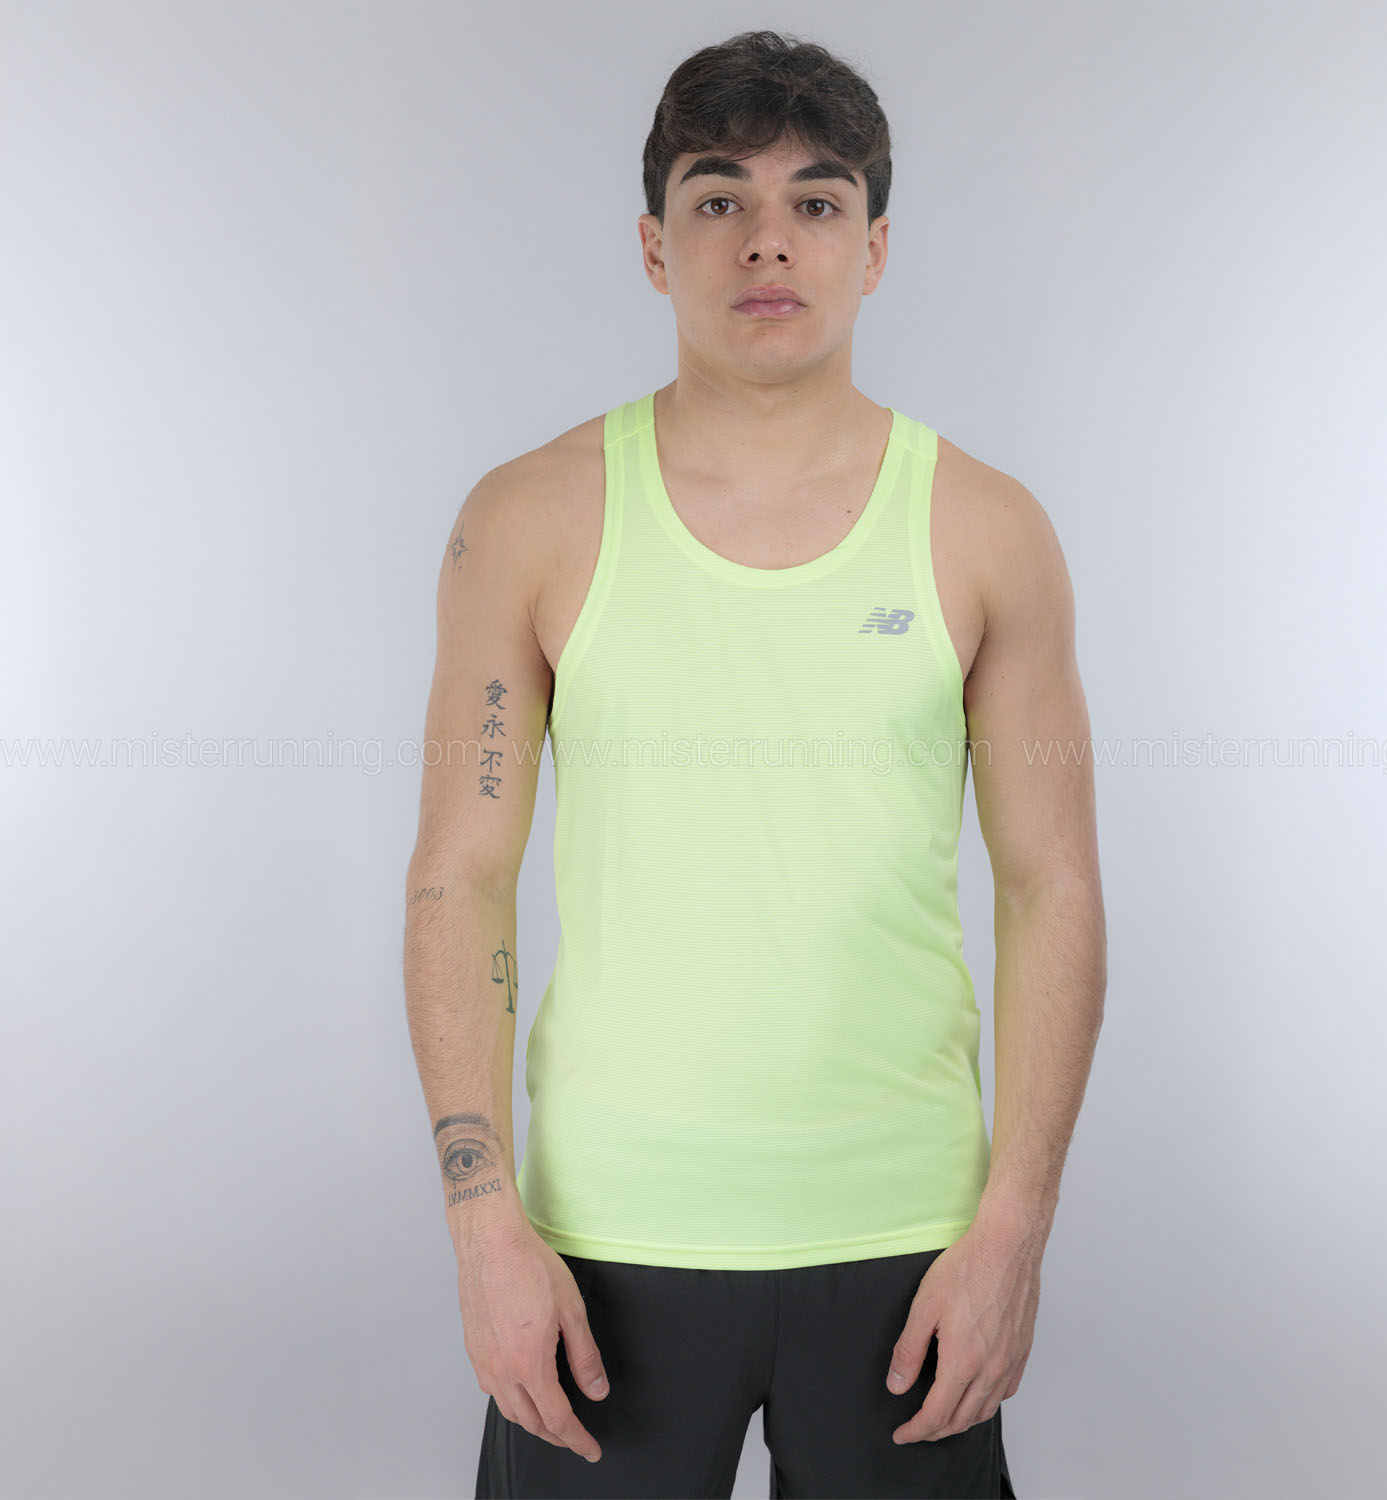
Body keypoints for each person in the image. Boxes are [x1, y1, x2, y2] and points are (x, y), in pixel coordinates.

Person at [403, 29, 1107, 1500]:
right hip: (605, 1243)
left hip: (908, 1241)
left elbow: (1053, 886)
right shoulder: (528, 518)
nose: (768, 240)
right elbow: (459, 878)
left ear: (876, 247)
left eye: (817, 201)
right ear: (655, 246)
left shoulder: (987, 529)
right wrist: (483, 1225)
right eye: (719, 198)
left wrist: (1012, 1233)